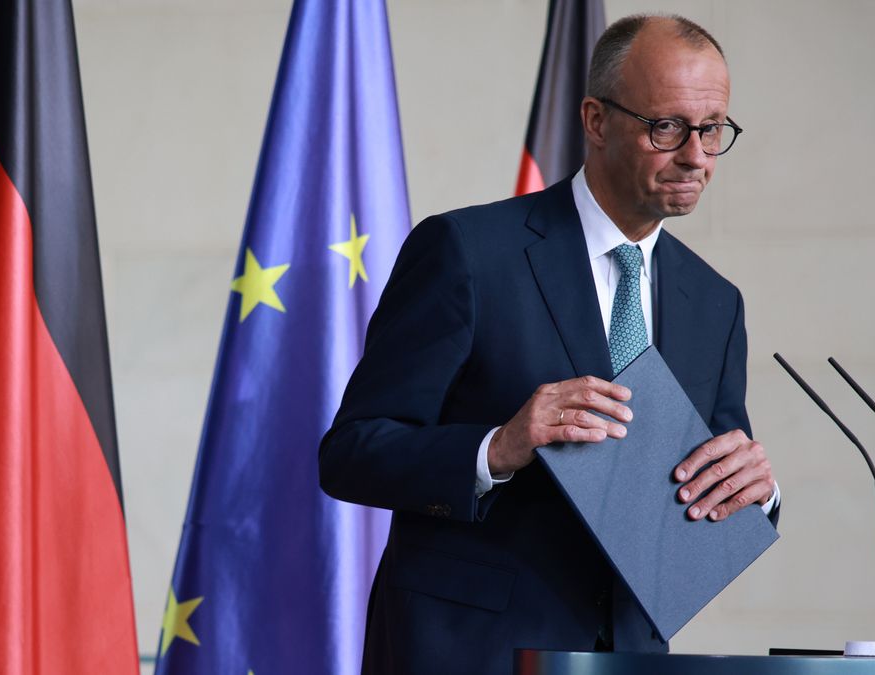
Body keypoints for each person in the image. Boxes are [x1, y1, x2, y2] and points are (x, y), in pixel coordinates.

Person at [319, 13, 778, 675]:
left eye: (711, 129)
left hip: (627, 656)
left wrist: (754, 495)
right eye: (667, 127)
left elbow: (704, 481)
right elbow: (351, 452)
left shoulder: (715, 303)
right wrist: (497, 447)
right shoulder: (467, 253)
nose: (697, 156)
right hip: (465, 653)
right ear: (595, 120)